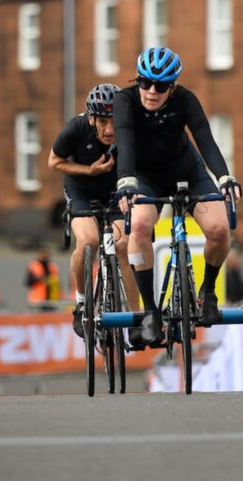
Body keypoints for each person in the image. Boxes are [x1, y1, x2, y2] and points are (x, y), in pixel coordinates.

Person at [115, 46, 242, 346]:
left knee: (219, 228)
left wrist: (224, 178)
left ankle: (207, 291)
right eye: (144, 83)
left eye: (160, 86)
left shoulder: (185, 99)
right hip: (144, 178)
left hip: (187, 173)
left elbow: (205, 139)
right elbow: (124, 140)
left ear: (172, 87)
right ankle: (150, 311)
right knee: (141, 227)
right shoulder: (125, 100)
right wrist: (125, 181)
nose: (151, 91)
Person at [48, 82, 141, 341]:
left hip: (115, 191)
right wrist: (88, 171)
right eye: (102, 121)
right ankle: (80, 304)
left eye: (114, 121)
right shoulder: (75, 129)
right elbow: (54, 162)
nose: (109, 129)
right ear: (91, 118)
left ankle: (136, 319)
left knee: (123, 245)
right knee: (89, 241)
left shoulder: (128, 131)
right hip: (81, 190)